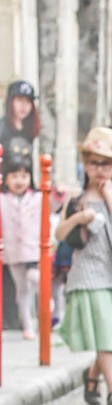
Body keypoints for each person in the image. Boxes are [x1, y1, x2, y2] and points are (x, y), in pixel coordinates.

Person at [55, 127, 112, 405]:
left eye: (106, 164)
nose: (99, 170)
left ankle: (92, 376)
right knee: (104, 330)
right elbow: (59, 234)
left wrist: (109, 196)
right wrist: (81, 217)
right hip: (89, 272)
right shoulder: (76, 198)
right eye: (93, 162)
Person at [1, 81, 40, 330]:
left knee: (27, 255)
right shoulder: (2, 128)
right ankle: (9, 314)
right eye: (19, 101)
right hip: (5, 196)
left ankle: (24, 313)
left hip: (24, 195)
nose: (23, 106)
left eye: (28, 102)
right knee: (9, 258)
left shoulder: (29, 132)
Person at [0, 152, 42, 340]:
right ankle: (28, 324)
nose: (19, 181)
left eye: (24, 176)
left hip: (33, 248)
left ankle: (46, 299)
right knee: (21, 289)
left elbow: (55, 205)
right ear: (6, 178)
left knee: (35, 277)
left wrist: (58, 193)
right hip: (12, 250)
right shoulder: (2, 199)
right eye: (14, 176)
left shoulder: (37, 197)